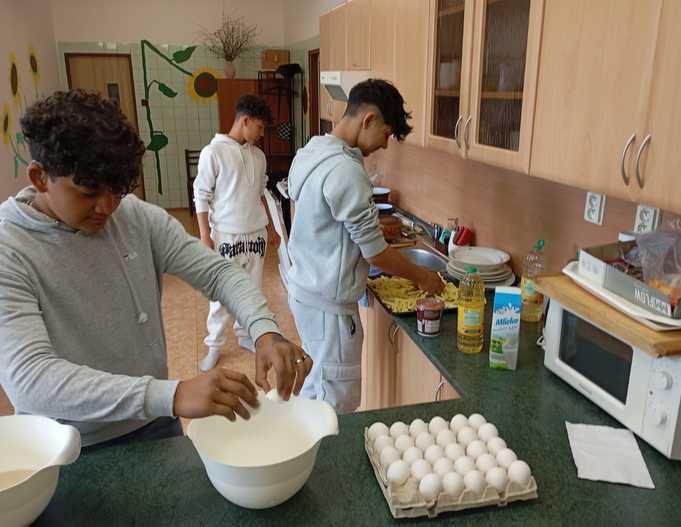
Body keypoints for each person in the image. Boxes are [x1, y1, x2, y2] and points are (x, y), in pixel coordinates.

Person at [0, 90, 312, 448]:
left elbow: (218, 273)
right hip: (67, 442)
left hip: (154, 423)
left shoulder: (134, 216)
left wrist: (264, 329)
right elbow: (29, 379)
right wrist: (170, 395)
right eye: (89, 193)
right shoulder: (10, 249)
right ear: (40, 177)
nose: (106, 208)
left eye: (117, 191)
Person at [286, 79, 444, 414]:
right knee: (334, 404)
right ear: (368, 119)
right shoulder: (346, 170)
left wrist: (366, 229)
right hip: (329, 309)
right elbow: (375, 255)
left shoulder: (314, 150)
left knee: (317, 386)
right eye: (386, 134)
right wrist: (423, 277)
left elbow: (324, 217)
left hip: (305, 292)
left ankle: (307, 443)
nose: (384, 145)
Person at [193, 94, 282, 372]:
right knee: (221, 293)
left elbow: (261, 194)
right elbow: (201, 196)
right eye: (259, 127)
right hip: (226, 236)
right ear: (245, 120)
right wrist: (205, 236)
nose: (262, 133)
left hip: (255, 235)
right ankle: (214, 345)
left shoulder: (258, 156)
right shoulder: (213, 153)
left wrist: (271, 227)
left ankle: (246, 336)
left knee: (252, 291)